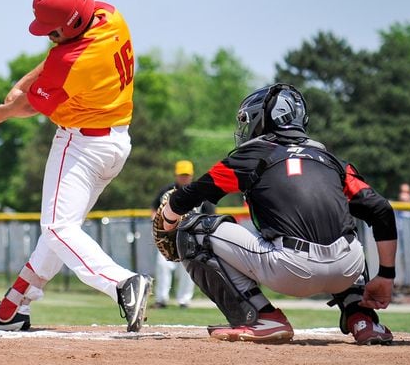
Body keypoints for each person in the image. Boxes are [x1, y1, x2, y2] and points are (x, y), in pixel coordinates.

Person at [0, 0, 152, 332]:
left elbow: (29, 104)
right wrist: (18, 90)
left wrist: (1, 113)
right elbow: (51, 62)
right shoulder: (110, 16)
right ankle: (11, 308)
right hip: (116, 143)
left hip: (80, 146)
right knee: (62, 233)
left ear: (73, 25)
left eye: (52, 31)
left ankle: (121, 284)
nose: (48, 36)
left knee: (56, 227)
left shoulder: (73, 61)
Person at [158, 83, 397, 344]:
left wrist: (168, 223)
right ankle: (363, 319)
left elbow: (186, 196)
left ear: (264, 119)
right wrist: (385, 276)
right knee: (344, 233)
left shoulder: (251, 155)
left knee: (193, 231)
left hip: (291, 270)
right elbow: (381, 210)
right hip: (346, 269)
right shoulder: (332, 160)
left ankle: (261, 316)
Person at [151, 160, 197, 308]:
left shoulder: (199, 190)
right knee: (162, 266)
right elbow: (154, 208)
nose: (184, 178)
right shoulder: (167, 191)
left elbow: (209, 213)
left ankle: (184, 301)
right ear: (176, 175)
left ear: (191, 176)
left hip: (190, 237)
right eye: (181, 175)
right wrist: (155, 222)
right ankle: (161, 299)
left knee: (187, 269)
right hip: (167, 236)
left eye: (186, 175)